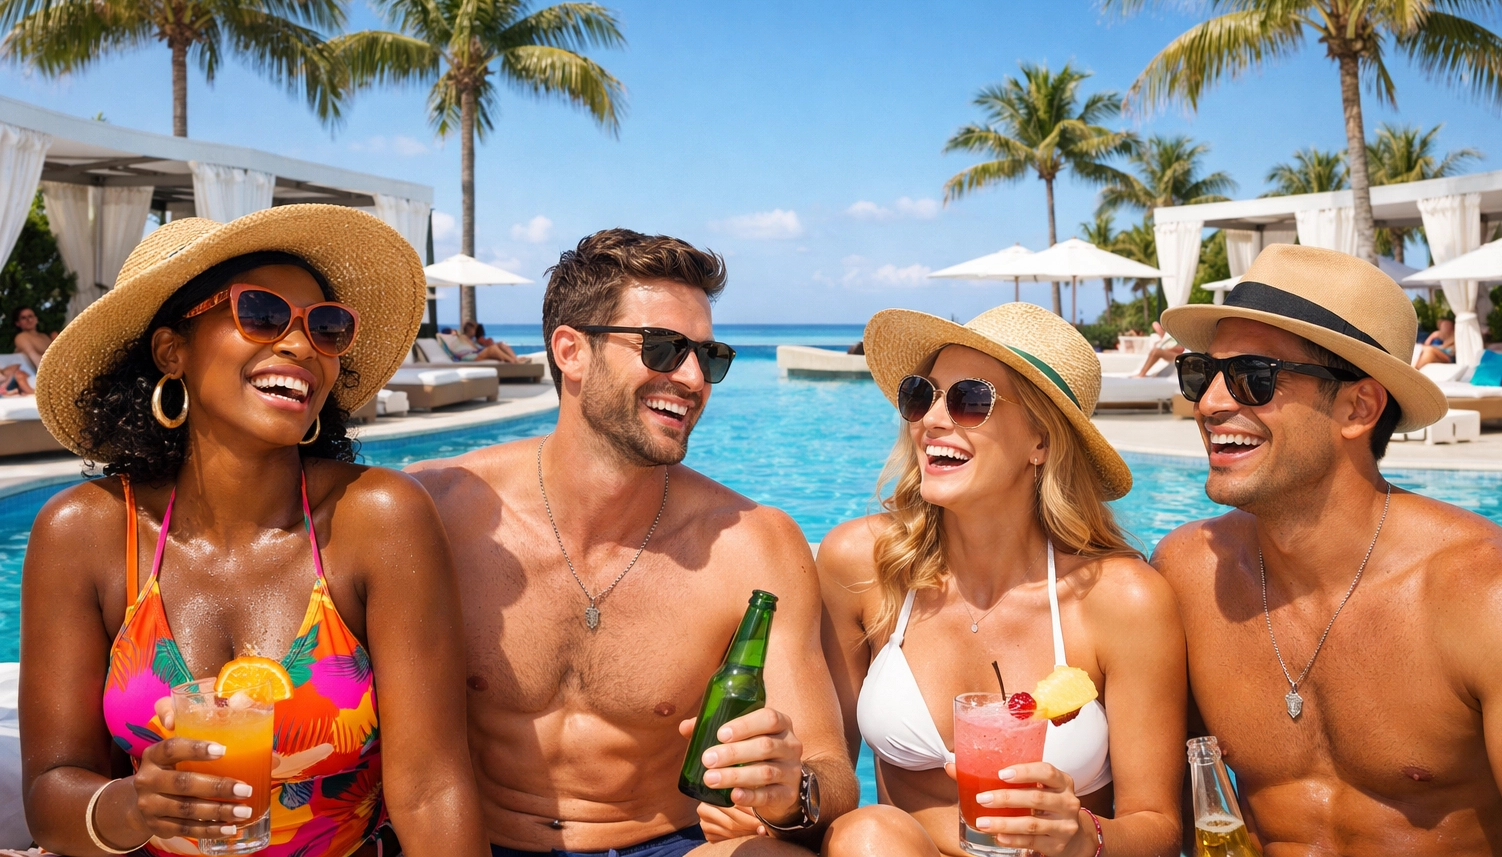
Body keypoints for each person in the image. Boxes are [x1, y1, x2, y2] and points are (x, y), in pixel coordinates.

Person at [22, 207, 488, 857]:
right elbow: (50, 793)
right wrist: (135, 805)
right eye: (263, 314)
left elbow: (433, 790)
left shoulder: (378, 518)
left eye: (325, 328)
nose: (302, 347)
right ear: (171, 350)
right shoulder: (85, 533)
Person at [409, 228, 858, 855]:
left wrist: (790, 789)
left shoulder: (753, 544)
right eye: (665, 348)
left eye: (710, 355)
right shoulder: (439, 512)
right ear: (570, 350)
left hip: (667, 844)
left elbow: (833, 772)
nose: (694, 378)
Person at [1151, 244, 1502, 853]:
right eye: (1201, 373)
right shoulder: (1189, 573)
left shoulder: (1496, 600)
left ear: (1358, 408)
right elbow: (1156, 802)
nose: (1210, 404)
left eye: (1254, 378)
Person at [807, 303, 1184, 857]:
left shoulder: (1120, 600)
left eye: (970, 400)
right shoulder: (863, 566)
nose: (933, 419)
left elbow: (1158, 829)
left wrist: (1084, 835)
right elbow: (828, 778)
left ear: (1042, 442)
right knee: (868, 835)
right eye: (922, 394)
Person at [12, 305, 54, 371]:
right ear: (18, 323)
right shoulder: (21, 337)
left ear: (36, 319)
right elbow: (35, 358)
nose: (29, 320)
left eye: (30, 316)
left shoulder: (44, 336)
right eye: (23, 318)